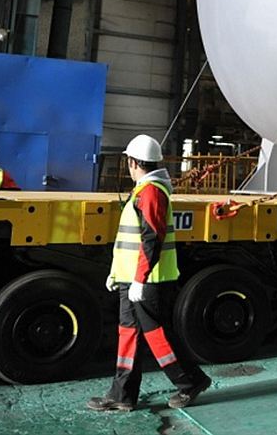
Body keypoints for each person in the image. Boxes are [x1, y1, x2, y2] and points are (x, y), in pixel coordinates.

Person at [87, 134, 211, 412]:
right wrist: (117, 273)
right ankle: (122, 394)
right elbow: (131, 240)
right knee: (128, 333)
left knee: (157, 335)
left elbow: (152, 238)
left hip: (149, 280)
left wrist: (139, 279)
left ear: (132, 162)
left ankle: (192, 381)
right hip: (132, 278)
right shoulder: (143, 190)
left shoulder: (152, 192)